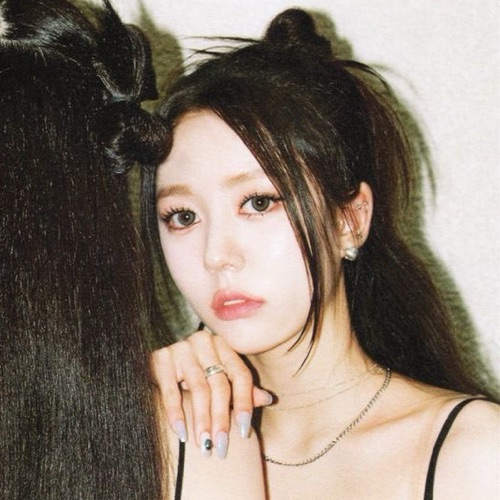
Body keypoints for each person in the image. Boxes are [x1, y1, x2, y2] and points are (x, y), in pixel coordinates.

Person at [146, 8, 499, 499]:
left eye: (259, 202)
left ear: (348, 221)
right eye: (183, 216)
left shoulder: (474, 452)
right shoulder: (160, 437)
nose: (216, 255)